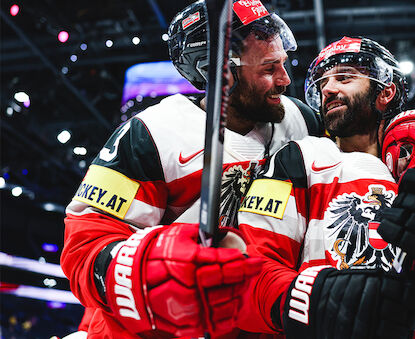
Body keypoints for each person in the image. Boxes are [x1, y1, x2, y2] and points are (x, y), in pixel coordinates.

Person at [60, 0, 324, 338]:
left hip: (264, 314)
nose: (285, 79)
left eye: (283, 63)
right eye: (268, 68)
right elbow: (85, 245)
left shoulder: (300, 119)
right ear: (218, 71)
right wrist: (146, 271)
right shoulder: (152, 133)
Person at [236, 36, 415, 338]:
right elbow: (250, 271)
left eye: (345, 77)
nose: (328, 88)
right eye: (323, 82)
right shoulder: (298, 158)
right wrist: (315, 299)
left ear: (386, 92)